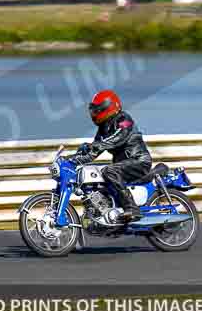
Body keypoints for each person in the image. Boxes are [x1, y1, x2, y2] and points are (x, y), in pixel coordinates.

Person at [64, 90, 152, 222]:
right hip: (122, 165)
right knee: (100, 180)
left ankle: (132, 208)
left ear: (108, 108)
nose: (94, 114)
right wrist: (71, 160)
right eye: (93, 110)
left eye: (97, 110)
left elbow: (119, 136)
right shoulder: (103, 129)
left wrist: (98, 145)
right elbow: (92, 154)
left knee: (108, 171)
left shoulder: (124, 119)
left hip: (138, 161)